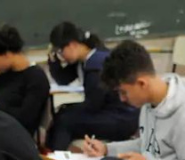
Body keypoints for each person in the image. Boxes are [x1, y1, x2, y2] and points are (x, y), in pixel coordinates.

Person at [45, 22, 139, 150]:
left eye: (60, 51)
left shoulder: (97, 63)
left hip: (121, 119)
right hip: (108, 112)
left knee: (66, 120)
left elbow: (93, 104)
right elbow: (64, 80)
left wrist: (69, 109)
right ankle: (51, 154)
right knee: (63, 114)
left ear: (72, 45)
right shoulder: (84, 59)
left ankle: (58, 159)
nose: (61, 56)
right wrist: (53, 61)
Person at [0, 24, 50, 137]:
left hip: (16, 138)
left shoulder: (35, 77)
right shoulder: (4, 74)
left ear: (7, 53)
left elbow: (26, 119)